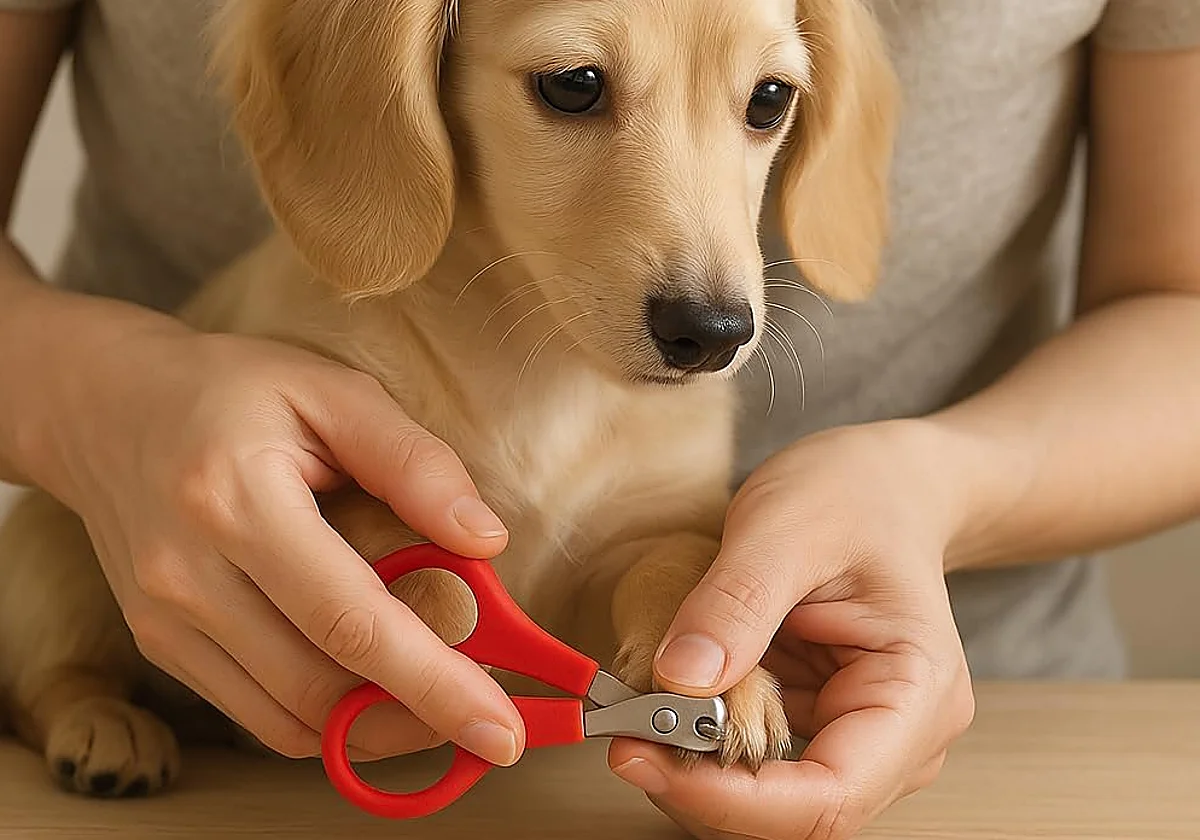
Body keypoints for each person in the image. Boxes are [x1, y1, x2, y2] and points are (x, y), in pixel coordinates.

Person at [1, 1, 1197, 837]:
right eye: (576, 86)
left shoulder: (683, 380)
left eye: (766, 98)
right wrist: (87, 396)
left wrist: (940, 489)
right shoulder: (338, 307)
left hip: (989, 735)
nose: (710, 282)